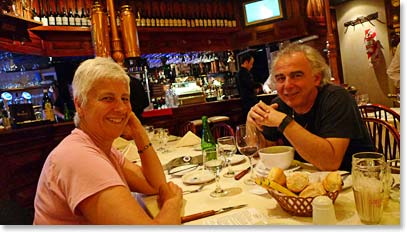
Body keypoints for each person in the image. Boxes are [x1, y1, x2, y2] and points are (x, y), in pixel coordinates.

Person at [34, 57, 183, 224]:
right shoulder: (79, 158)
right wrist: (172, 204)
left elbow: (154, 185)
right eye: (107, 98)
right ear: (80, 105)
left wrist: (139, 132)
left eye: (125, 99)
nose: (121, 108)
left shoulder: (101, 148)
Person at [247, 44, 374, 171]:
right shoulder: (280, 104)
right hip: (310, 182)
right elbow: (261, 151)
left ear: (316, 78)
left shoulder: (337, 98)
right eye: (281, 78)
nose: (287, 85)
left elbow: (330, 162)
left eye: (296, 75)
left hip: (361, 181)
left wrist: (284, 122)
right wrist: (251, 123)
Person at [236, 52, 259, 119]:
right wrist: (259, 85)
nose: (251, 66)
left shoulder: (239, 73)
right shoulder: (244, 73)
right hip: (250, 102)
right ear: (246, 62)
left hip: (244, 102)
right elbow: (250, 85)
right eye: (251, 64)